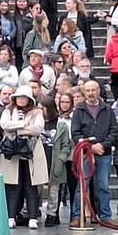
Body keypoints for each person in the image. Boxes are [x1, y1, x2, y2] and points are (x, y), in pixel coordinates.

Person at [70, 80, 118, 229]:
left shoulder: (107, 110)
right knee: (82, 186)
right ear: (84, 92)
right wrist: (90, 147)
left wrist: (103, 145)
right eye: (88, 91)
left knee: (103, 186)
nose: (91, 93)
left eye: (94, 90)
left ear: (98, 91)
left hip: (104, 154)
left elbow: (113, 131)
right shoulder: (79, 111)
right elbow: (75, 133)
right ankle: (76, 216)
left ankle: (105, 216)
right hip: (85, 154)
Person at [0, 85, 47, 230]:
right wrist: (23, 124)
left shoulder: (36, 112)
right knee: (14, 185)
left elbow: (37, 128)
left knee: (31, 185)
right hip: (13, 152)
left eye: (24, 97)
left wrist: (16, 128)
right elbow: (4, 125)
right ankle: (11, 216)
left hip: (31, 151)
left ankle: (32, 217)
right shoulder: (8, 110)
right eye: (18, 97)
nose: (21, 99)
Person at [45, 91, 75, 225]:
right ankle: (53, 213)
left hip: (71, 155)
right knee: (55, 185)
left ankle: (74, 214)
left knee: (70, 186)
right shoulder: (56, 119)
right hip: (54, 155)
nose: (64, 105)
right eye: (62, 102)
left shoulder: (74, 117)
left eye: (67, 102)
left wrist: (63, 156)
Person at [106, 23, 118, 99]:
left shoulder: (112, 40)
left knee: (114, 83)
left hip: (116, 66)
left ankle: (116, 98)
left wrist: (112, 62)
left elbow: (108, 55)